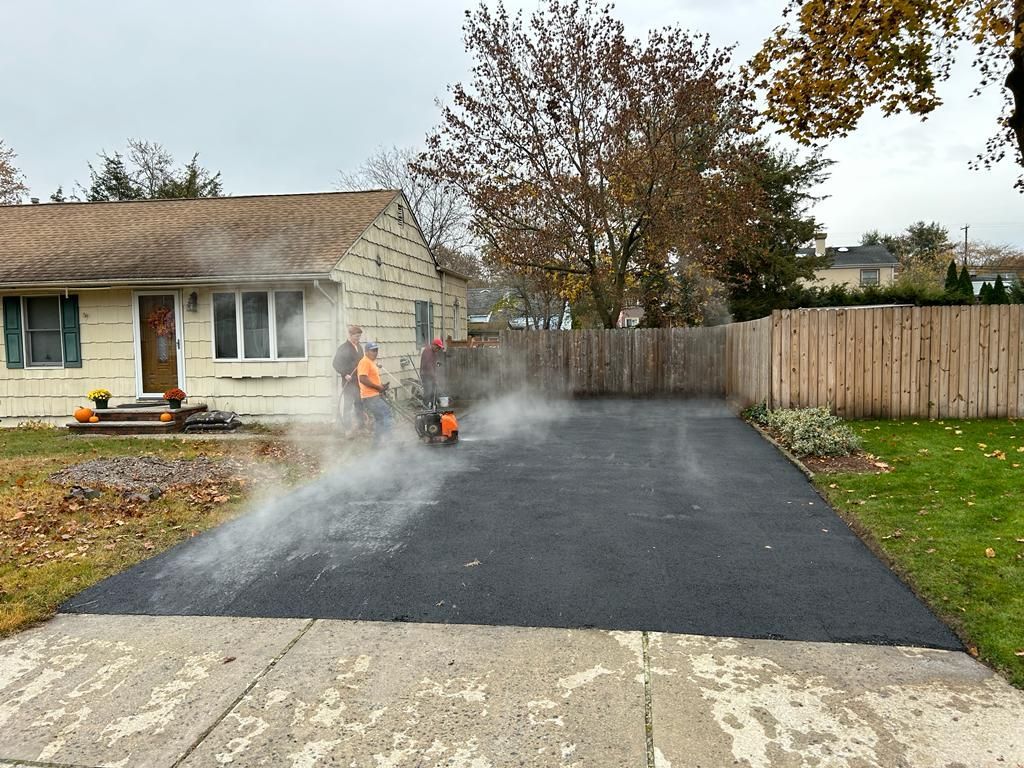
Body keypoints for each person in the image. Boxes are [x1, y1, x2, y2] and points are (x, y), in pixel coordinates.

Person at [357, 341, 392, 441]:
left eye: (376, 350)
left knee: (380, 418)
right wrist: (378, 388)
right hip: (370, 397)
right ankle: (388, 441)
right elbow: (362, 379)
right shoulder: (364, 362)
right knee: (386, 414)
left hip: (374, 395)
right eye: (373, 350)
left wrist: (381, 386)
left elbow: (371, 379)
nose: (375, 352)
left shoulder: (371, 362)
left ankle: (378, 443)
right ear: (366, 351)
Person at [332, 325, 364, 432]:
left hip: (359, 382)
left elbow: (362, 362)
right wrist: (345, 374)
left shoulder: (359, 347)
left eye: (359, 337)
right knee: (348, 405)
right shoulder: (343, 348)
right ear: (350, 335)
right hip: (349, 382)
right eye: (356, 336)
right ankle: (348, 428)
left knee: (359, 404)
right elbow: (335, 364)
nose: (358, 339)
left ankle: (360, 427)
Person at [419, 337, 446, 408]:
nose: (439, 349)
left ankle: (432, 407)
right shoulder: (428, 351)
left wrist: (437, 364)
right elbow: (429, 366)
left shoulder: (433, 352)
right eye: (438, 348)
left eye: (439, 348)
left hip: (430, 375)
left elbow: (432, 363)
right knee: (428, 392)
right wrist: (434, 379)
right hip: (426, 375)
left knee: (434, 392)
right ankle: (425, 408)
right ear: (434, 345)